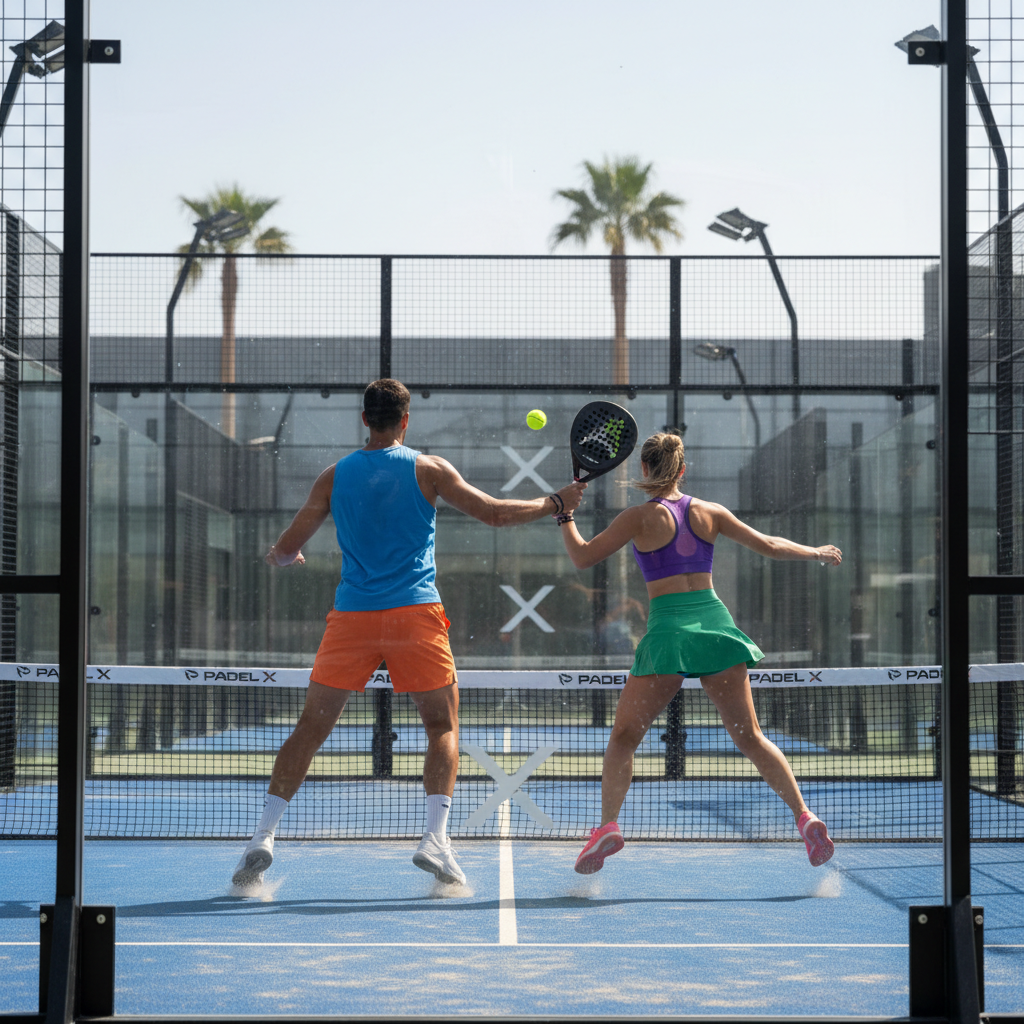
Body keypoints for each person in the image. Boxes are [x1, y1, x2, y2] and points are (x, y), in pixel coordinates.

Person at [233, 380, 586, 887]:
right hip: (415, 615)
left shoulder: (333, 477)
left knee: (311, 727)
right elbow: (492, 512)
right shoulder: (428, 468)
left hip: (352, 618)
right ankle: (435, 840)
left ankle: (263, 836)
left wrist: (284, 555)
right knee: (441, 727)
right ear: (405, 421)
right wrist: (556, 503)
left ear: (364, 420)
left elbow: (287, 546)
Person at [556, 432, 842, 875]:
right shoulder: (710, 512)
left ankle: (608, 825)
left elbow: (582, 557)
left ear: (645, 470)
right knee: (750, 737)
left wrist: (565, 516)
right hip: (715, 626)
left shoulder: (638, 517)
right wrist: (817, 552)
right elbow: (769, 545)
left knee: (624, 739)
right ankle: (804, 816)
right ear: (683, 470)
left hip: (669, 630)